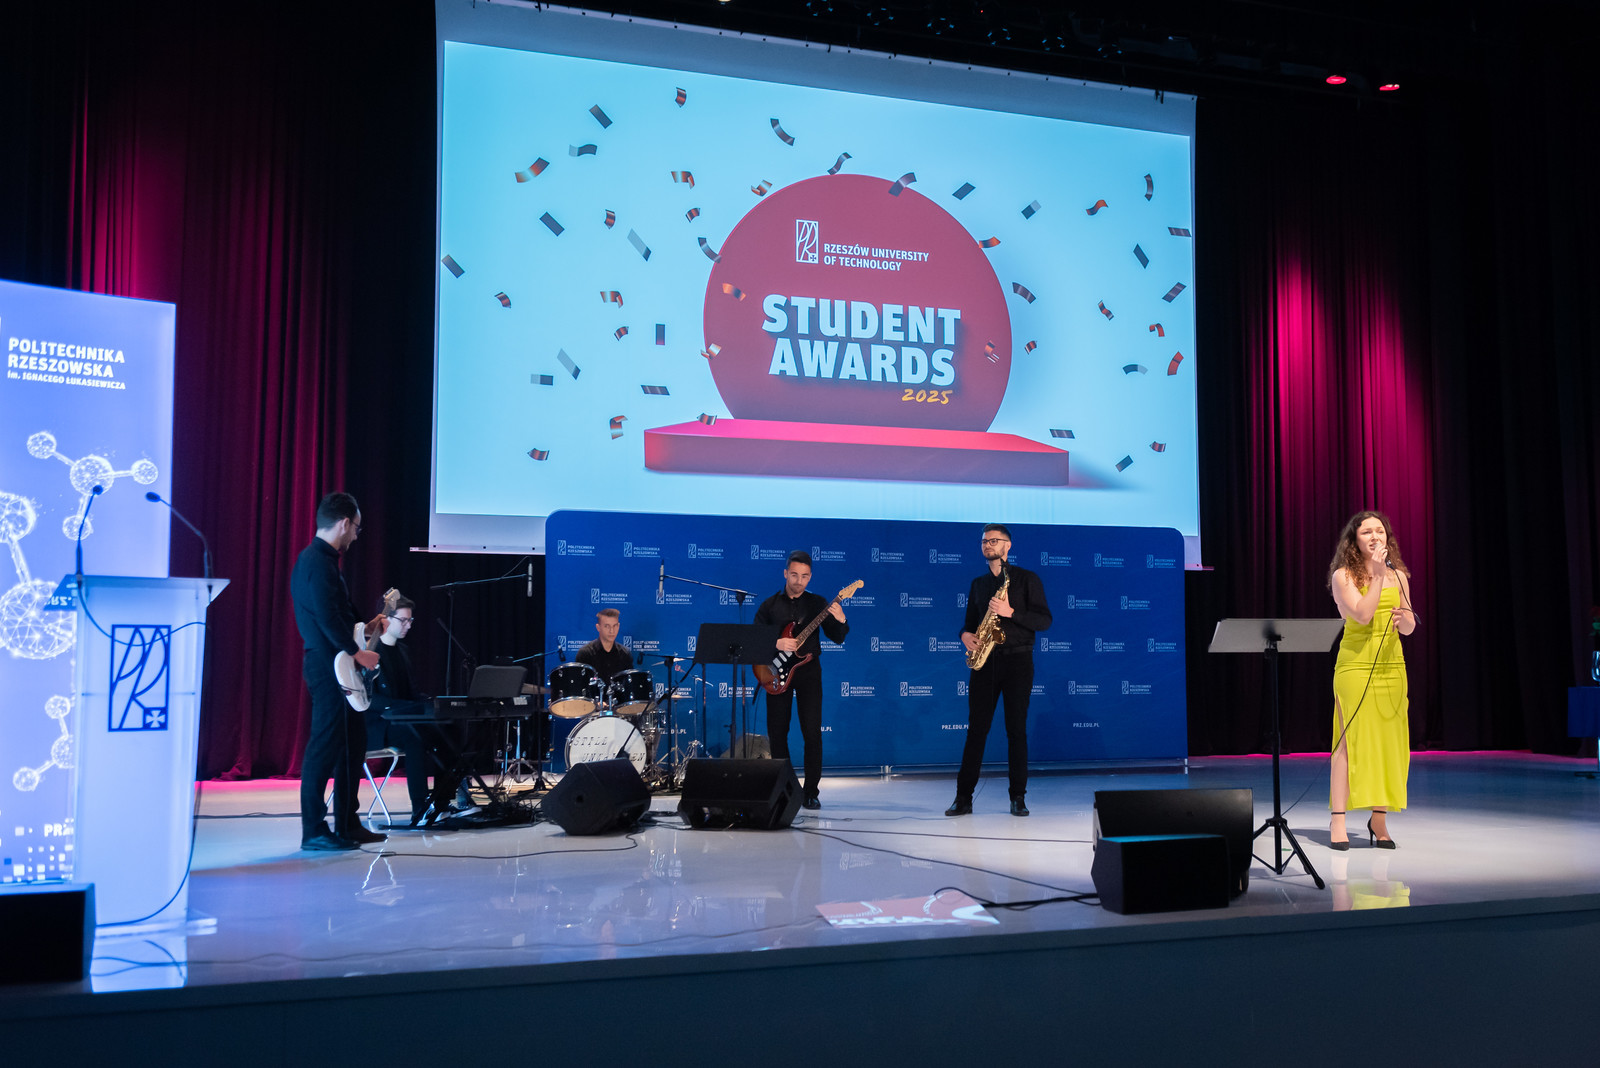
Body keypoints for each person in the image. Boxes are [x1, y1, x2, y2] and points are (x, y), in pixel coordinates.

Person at [291, 491, 383, 850]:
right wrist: (358, 653)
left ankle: (347, 823)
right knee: (324, 746)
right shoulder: (316, 561)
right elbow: (327, 618)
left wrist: (365, 627)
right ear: (344, 523)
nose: (356, 536)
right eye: (356, 528)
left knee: (351, 745)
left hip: (339, 662)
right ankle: (314, 831)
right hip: (327, 665)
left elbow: (338, 614)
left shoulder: (324, 561)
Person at [948, 524, 1052, 817]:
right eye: (984, 541)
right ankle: (963, 797)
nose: (988, 545)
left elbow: (1044, 621)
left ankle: (1018, 797)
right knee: (976, 730)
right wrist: (964, 635)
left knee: (1016, 730)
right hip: (985, 662)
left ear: (1008, 546)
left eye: (994, 540)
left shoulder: (1027, 579)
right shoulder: (978, 584)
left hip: (1018, 661)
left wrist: (1010, 612)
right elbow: (969, 622)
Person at [1327, 510, 1416, 849]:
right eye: (1367, 532)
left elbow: (1410, 625)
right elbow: (1363, 616)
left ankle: (1379, 819)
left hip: (1392, 667)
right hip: (1355, 666)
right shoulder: (1344, 575)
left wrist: (1403, 619)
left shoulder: (1399, 575)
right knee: (1348, 743)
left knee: (1390, 745)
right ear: (1355, 539)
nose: (1375, 536)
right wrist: (1377, 576)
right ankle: (1338, 820)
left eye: (1380, 531)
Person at [754, 550, 849, 810]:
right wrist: (776, 642)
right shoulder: (769, 605)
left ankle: (811, 793)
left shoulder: (818, 603)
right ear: (785, 573)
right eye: (794, 575)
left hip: (808, 672)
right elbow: (754, 640)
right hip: (776, 672)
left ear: (810, 577)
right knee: (777, 733)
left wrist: (841, 619)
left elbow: (837, 637)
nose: (799, 581)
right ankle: (784, 789)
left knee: (812, 732)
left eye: (805, 576)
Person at [362, 589, 443, 828]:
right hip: (378, 726)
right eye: (404, 620)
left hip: (402, 719)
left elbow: (411, 693)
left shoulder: (403, 651)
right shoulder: (370, 651)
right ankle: (420, 808)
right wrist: (407, 707)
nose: (409, 625)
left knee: (446, 731)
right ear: (385, 619)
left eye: (410, 620)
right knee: (414, 736)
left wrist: (431, 704)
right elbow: (369, 700)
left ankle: (444, 801)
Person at [574, 608, 634, 682]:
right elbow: (579, 684)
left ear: (618, 626)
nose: (611, 631)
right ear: (598, 627)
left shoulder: (625, 654)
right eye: (607, 626)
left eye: (614, 626)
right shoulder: (585, 653)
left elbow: (629, 684)